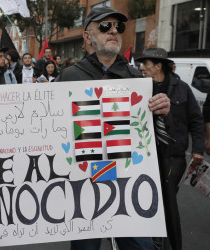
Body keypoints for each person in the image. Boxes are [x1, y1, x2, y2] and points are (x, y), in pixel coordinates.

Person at [56, 7, 170, 250]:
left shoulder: (137, 80)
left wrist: (161, 110)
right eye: (105, 26)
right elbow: (51, 127)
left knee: (142, 246)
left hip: (126, 180)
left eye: (119, 27)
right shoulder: (68, 77)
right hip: (83, 182)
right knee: (86, 247)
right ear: (87, 36)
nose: (114, 31)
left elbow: (151, 134)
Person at [137, 47, 204, 250]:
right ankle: (146, 236)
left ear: (158, 66)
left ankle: (167, 242)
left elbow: (196, 120)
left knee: (166, 200)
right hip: (145, 156)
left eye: (145, 64)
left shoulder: (182, 88)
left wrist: (198, 149)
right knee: (146, 198)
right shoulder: (139, 88)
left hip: (173, 158)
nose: (141, 68)